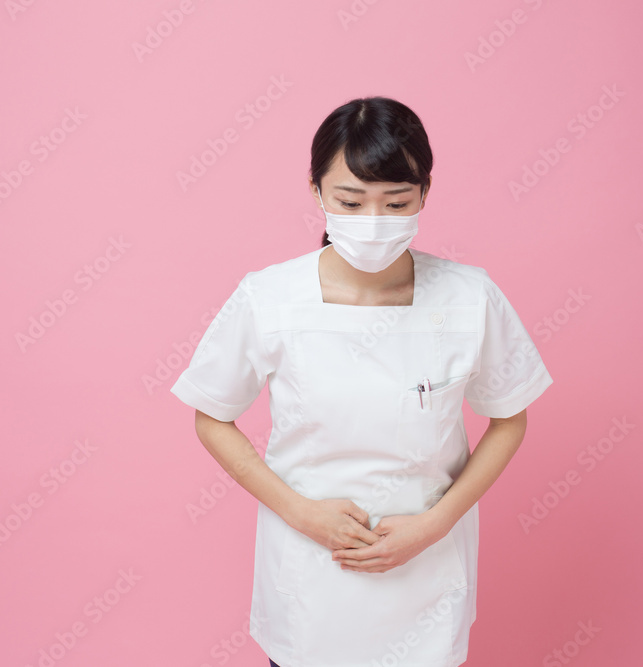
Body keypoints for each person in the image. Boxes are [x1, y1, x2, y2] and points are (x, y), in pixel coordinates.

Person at [170, 96, 554, 667]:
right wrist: (301, 513)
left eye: (396, 202)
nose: (373, 221)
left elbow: (509, 418)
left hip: (425, 574)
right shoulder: (270, 297)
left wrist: (435, 524)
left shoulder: (469, 296)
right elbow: (212, 415)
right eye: (350, 202)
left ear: (424, 192)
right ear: (316, 191)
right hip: (311, 578)